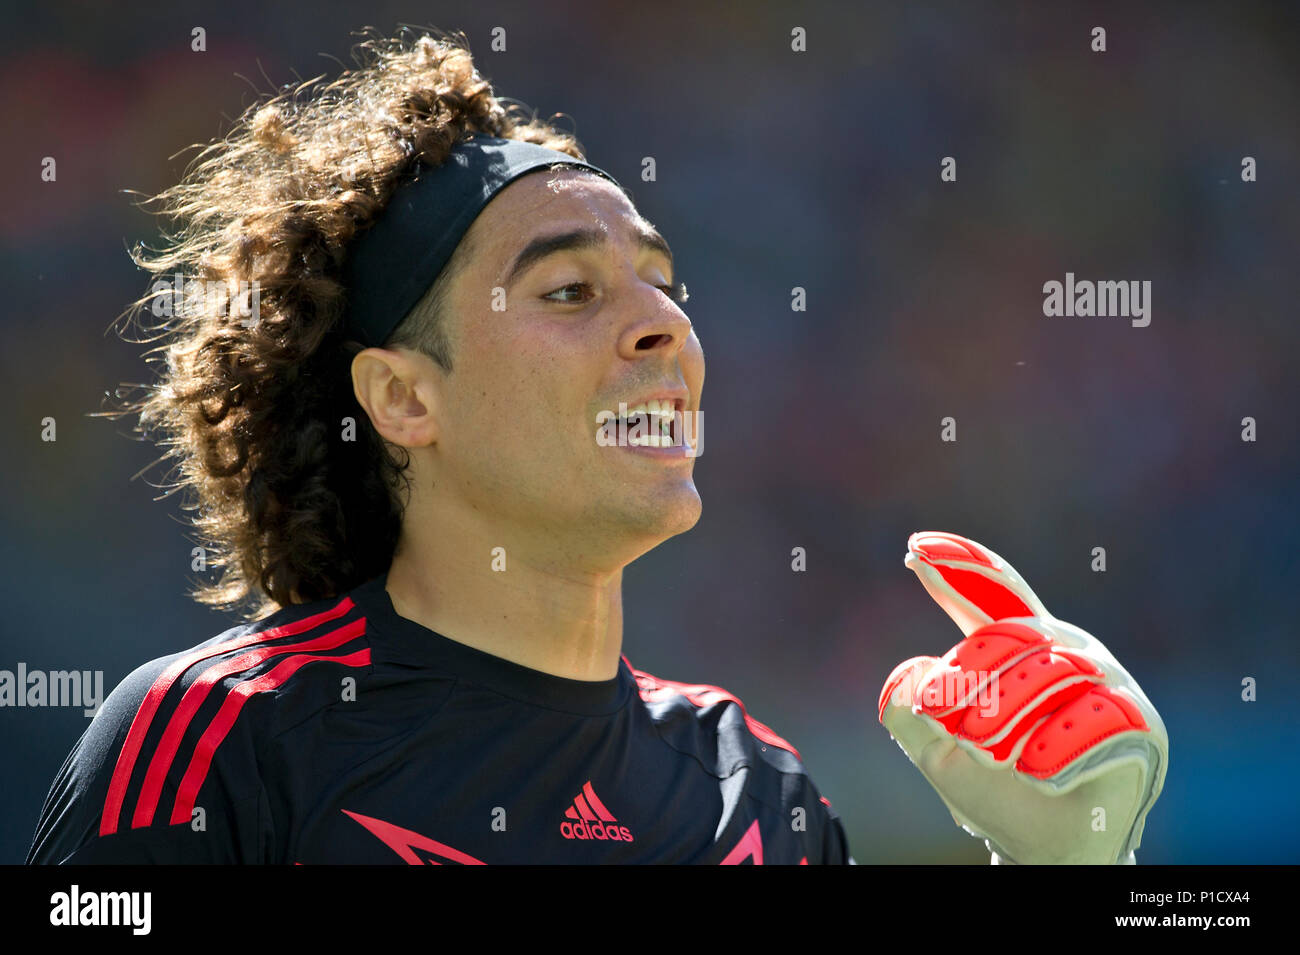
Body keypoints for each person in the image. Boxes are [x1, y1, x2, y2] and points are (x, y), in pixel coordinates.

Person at [26, 29, 851, 865]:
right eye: (570, 291)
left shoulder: (759, 789)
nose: (668, 325)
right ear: (403, 397)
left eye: (664, 286)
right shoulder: (219, 739)